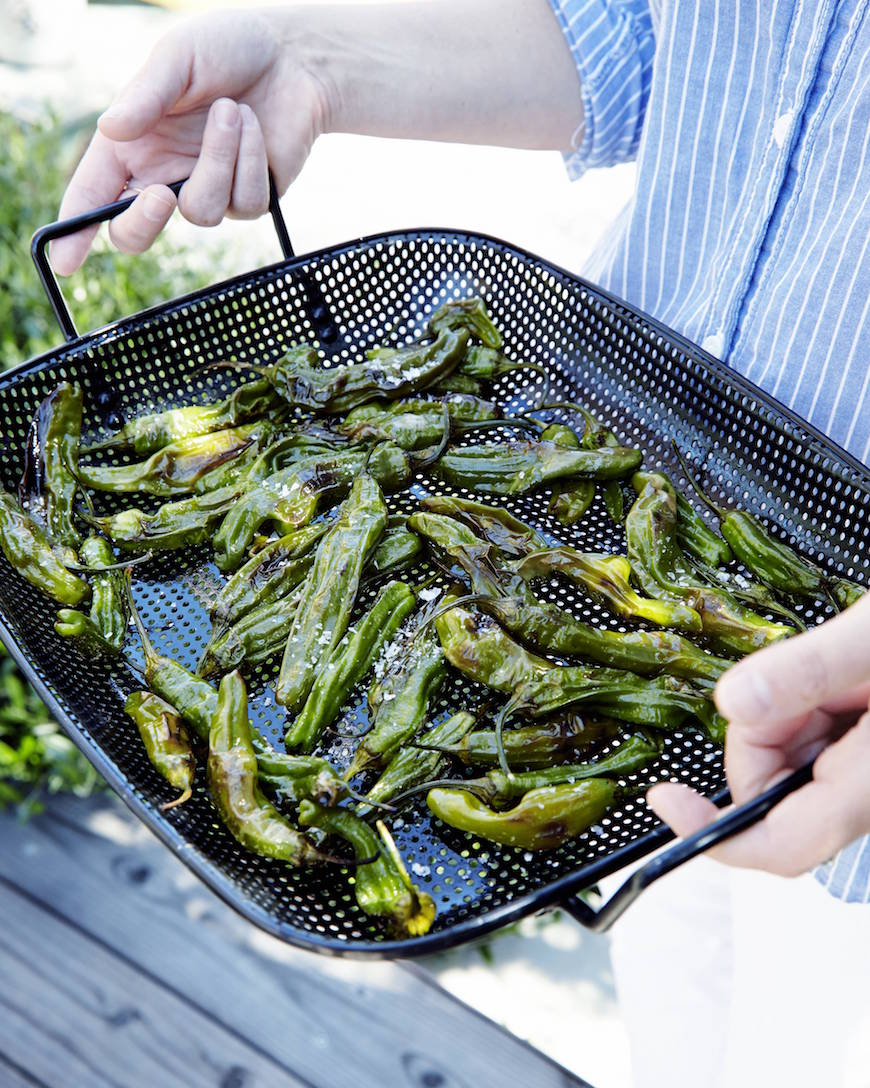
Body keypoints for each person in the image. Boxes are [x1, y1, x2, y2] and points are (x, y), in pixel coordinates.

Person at [54, 1, 870, 898]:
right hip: (616, 489)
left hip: (839, 712)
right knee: (686, 1002)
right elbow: (642, 38)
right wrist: (304, 57)